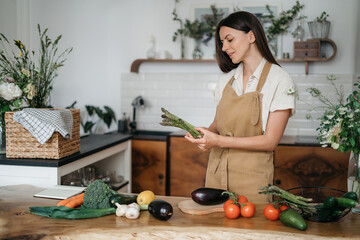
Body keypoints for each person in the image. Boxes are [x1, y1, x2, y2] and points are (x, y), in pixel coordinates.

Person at [185, 11, 296, 202]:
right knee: (215, 231)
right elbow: (218, 124)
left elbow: (270, 141)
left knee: (250, 230)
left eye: (229, 39)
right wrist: (205, 135)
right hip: (216, 176)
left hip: (253, 181)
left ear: (251, 36)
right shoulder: (226, 80)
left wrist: (218, 141)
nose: (224, 47)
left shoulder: (279, 80)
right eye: (222, 42)